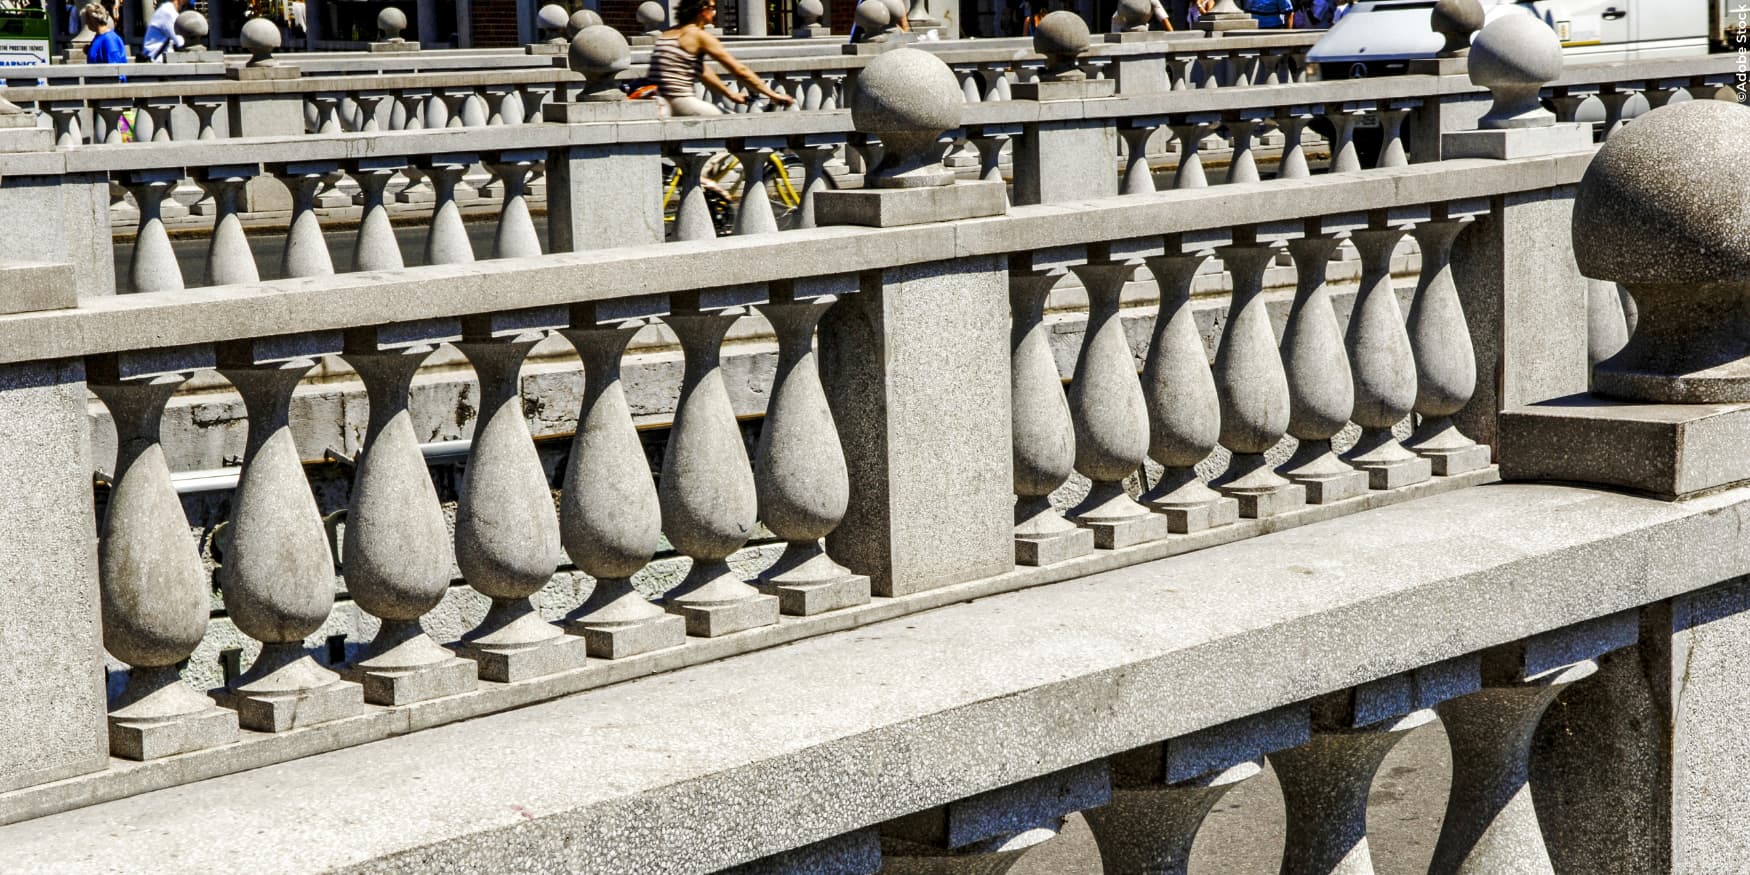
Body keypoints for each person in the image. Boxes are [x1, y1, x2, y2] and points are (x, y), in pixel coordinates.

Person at [650, 0, 795, 116]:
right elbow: (739, 69)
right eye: (712, 7)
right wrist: (772, 94)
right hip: (681, 101)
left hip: (660, 102)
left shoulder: (668, 34)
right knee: (731, 124)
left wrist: (731, 94)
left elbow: (704, 72)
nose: (715, 12)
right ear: (702, 10)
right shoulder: (698, 35)